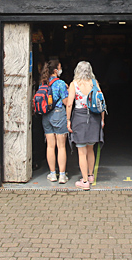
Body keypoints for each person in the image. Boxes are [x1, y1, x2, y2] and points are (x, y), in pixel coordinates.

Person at [66, 61, 105, 190]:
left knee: (81, 151)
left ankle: (84, 181)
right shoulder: (94, 83)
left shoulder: (74, 84)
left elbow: (70, 104)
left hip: (79, 118)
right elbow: (101, 102)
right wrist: (102, 120)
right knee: (90, 149)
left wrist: (68, 120)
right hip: (94, 117)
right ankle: (90, 175)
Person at [40, 60, 69, 184]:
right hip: (58, 114)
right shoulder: (60, 83)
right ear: (56, 71)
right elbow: (66, 102)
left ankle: (52, 174)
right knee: (61, 146)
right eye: (60, 67)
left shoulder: (43, 83)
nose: (61, 69)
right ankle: (62, 175)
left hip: (46, 116)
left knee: (50, 146)